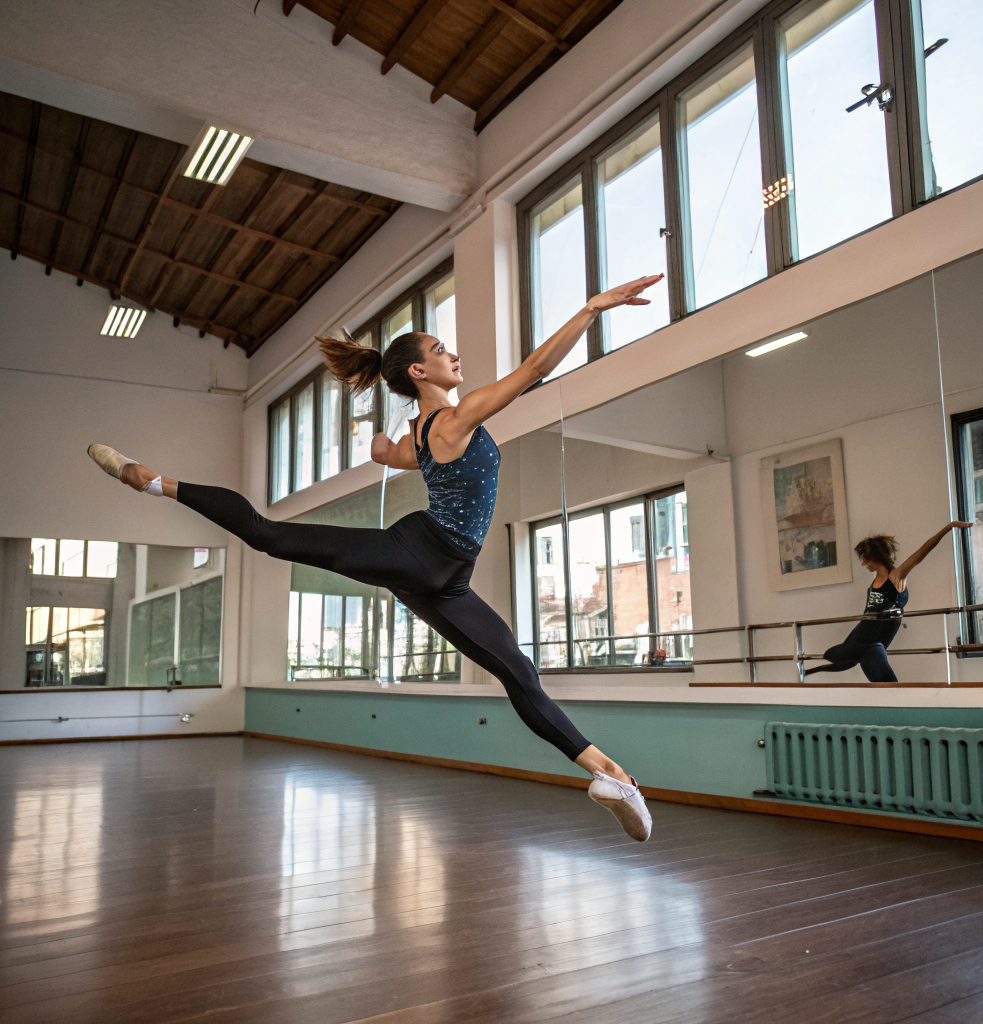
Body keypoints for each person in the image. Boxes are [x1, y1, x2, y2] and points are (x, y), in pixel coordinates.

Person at [86, 273, 665, 842]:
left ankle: (613, 778)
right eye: (441, 350)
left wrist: (382, 441)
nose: (453, 354)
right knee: (268, 533)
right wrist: (591, 308)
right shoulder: (454, 419)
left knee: (517, 671)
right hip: (421, 552)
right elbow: (536, 370)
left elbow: (396, 456)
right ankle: (154, 481)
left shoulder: (423, 432)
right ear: (419, 371)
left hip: (445, 577)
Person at [804, 522, 972, 682]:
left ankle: (812, 670)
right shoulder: (875, 579)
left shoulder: (896, 577)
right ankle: (806, 672)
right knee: (834, 655)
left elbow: (922, 552)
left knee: (884, 682)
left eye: (866, 559)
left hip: (876, 642)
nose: (864, 563)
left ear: (876, 556)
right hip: (861, 633)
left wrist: (948, 527)